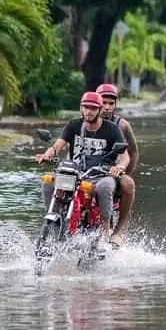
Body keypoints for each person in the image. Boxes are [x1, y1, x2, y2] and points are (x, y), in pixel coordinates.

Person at [35, 92, 130, 247]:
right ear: (81, 108)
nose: (89, 111)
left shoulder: (112, 129)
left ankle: (105, 232)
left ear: (99, 110)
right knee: (48, 182)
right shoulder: (73, 125)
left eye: (93, 108)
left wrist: (119, 167)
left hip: (101, 175)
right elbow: (58, 145)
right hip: (76, 173)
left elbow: (125, 156)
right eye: (86, 107)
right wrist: (47, 155)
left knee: (105, 186)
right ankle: (52, 217)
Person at [96, 83, 139, 247]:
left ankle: (118, 231)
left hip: (113, 170)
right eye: (103, 103)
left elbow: (133, 152)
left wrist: (124, 171)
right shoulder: (85, 120)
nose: (106, 107)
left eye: (111, 103)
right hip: (88, 169)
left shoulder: (121, 126)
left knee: (128, 184)